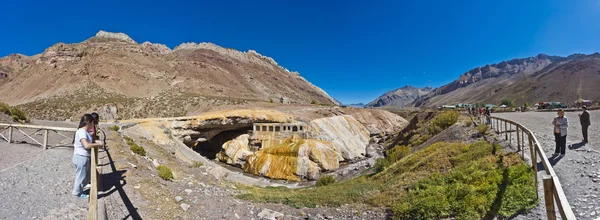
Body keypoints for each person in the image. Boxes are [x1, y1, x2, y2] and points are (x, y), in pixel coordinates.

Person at [72, 114, 103, 198]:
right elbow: (86, 145)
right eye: (92, 122)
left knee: (84, 175)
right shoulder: (81, 132)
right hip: (81, 157)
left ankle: (81, 189)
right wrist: (97, 145)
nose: (93, 125)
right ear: (88, 122)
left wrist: (95, 141)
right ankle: (77, 192)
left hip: (82, 157)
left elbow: (89, 141)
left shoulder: (84, 132)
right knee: (81, 176)